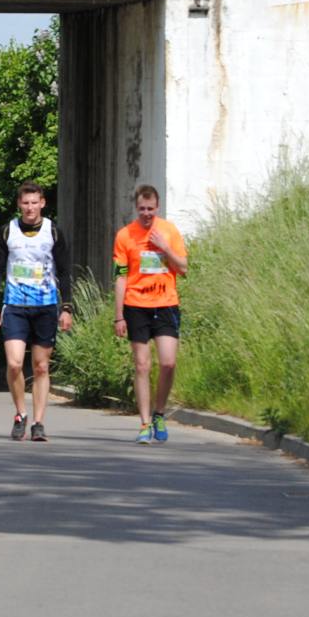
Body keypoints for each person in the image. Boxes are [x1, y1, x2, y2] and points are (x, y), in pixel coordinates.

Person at [0, 181, 74, 442]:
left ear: (42, 203)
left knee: (41, 366)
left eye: (35, 202)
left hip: (45, 306)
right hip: (15, 306)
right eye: (25, 203)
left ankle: (38, 423)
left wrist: (66, 307)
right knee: (14, 363)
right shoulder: (8, 231)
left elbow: (64, 271)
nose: (30, 208)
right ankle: (21, 414)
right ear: (19, 204)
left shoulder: (53, 232)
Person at [112, 184, 188, 444]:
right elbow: (120, 277)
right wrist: (119, 315)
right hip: (136, 306)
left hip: (166, 304)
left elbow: (184, 268)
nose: (146, 213)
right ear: (136, 208)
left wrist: (165, 248)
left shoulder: (169, 231)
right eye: (142, 209)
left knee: (168, 363)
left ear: (158, 207)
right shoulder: (125, 236)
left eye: (151, 209)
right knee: (142, 365)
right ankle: (144, 423)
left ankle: (159, 413)